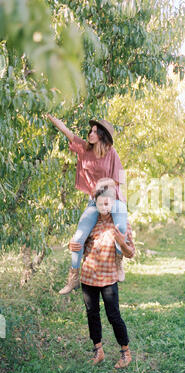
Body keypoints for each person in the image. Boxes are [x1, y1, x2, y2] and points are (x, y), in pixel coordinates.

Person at [46, 115, 127, 294]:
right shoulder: (84, 149)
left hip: (113, 199)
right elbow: (67, 132)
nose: (90, 133)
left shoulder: (111, 153)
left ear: (103, 136)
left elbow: (118, 179)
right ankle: (73, 278)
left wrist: (102, 185)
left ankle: (119, 262)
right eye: (90, 131)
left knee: (121, 228)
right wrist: (52, 118)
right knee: (77, 239)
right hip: (94, 201)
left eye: (95, 132)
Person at [69, 186, 135, 368]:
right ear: (95, 203)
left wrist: (122, 242)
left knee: (113, 315)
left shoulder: (120, 223)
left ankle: (125, 353)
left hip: (108, 278)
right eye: (101, 203)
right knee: (92, 314)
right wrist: (72, 245)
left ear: (113, 203)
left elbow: (131, 253)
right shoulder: (90, 221)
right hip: (88, 276)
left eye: (108, 202)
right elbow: (79, 243)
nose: (104, 206)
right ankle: (98, 351)